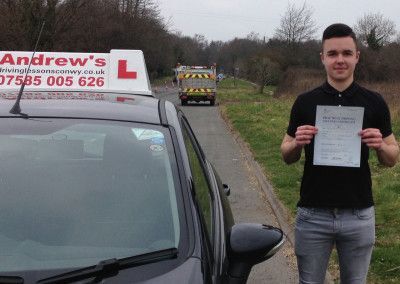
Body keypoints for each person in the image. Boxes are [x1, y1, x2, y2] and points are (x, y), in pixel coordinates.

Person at [280, 23, 399, 284]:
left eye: (346, 53)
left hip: (358, 214)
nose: (340, 60)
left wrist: (381, 146)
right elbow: (286, 154)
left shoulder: (375, 102)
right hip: (313, 214)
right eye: (333, 54)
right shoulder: (305, 102)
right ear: (323, 58)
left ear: (357, 56)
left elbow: (392, 158)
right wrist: (297, 143)